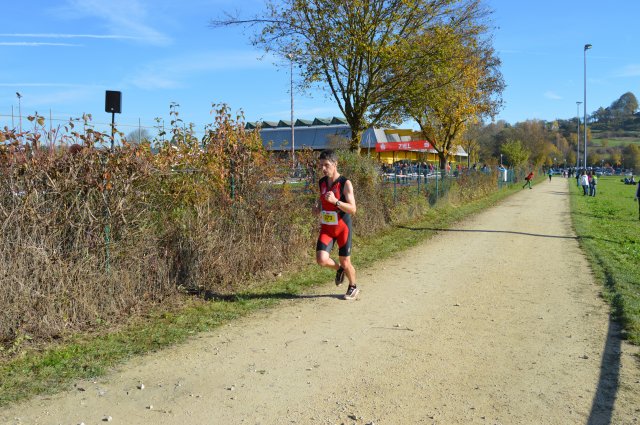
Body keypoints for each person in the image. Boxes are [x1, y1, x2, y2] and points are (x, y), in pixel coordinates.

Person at [315, 149, 359, 300]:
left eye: (326, 165)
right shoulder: (321, 182)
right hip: (327, 228)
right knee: (321, 259)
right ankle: (339, 269)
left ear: (335, 164)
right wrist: (318, 207)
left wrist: (336, 202)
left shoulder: (345, 183)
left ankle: (353, 286)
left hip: (342, 228)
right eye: (321, 165)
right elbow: (322, 199)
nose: (323, 168)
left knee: (345, 261)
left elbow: (353, 209)